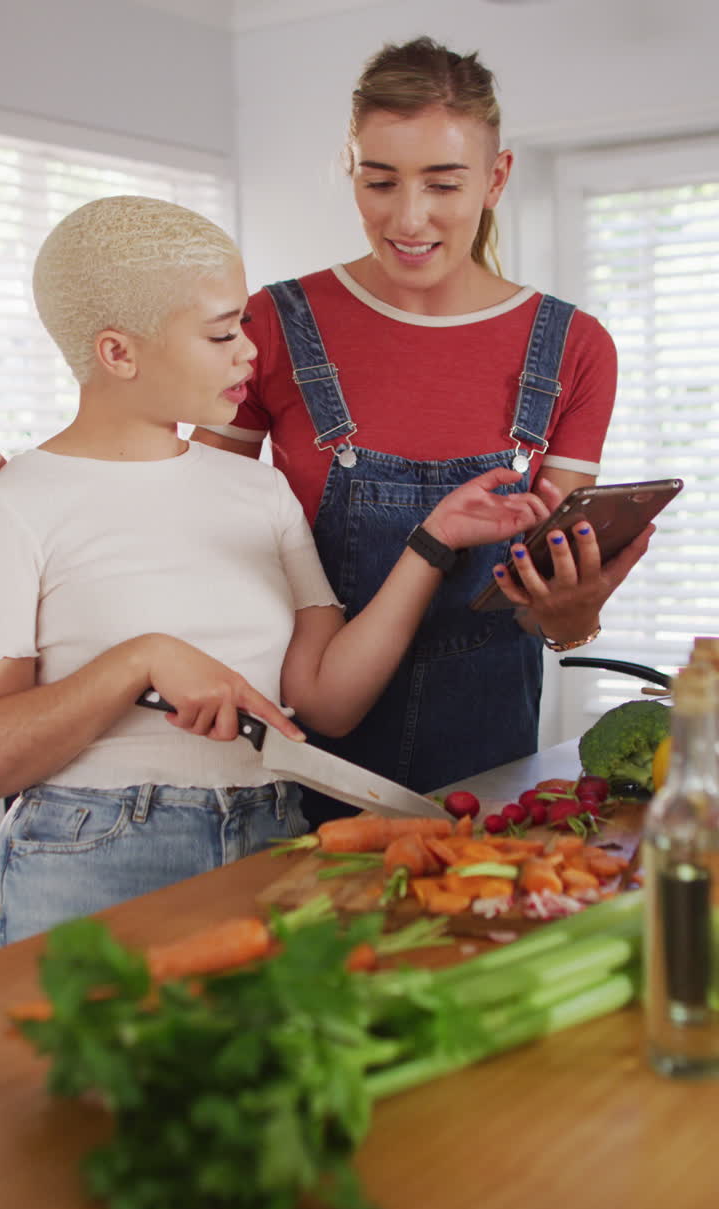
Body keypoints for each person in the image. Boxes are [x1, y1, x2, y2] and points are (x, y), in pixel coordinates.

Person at [0, 194, 551, 945]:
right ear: (118, 353)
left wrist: (433, 542)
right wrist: (143, 660)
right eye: (222, 333)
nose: (249, 354)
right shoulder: (19, 501)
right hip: (92, 851)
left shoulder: (255, 487)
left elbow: (326, 703)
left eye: (246, 329)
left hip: (272, 835)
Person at [193, 35, 653, 826]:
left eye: (444, 183)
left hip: (485, 760)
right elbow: (200, 529)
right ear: (351, 169)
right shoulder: (270, 323)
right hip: (287, 747)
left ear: (497, 177)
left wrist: (572, 616)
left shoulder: (574, 348)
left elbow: (539, 604)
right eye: (380, 181)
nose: (409, 218)